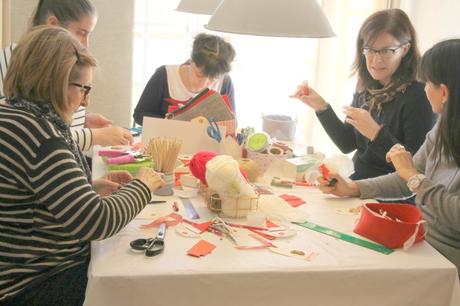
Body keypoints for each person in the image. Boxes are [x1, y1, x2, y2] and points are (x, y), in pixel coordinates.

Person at [0, 26, 164, 305]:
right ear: (56, 82)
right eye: (83, 88)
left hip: (18, 268)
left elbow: (30, 193)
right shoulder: (43, 136)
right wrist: (144, 185)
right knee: (144, 286)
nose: (86, 100)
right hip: (35, 283)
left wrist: (87, 187)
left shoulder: (14, 115)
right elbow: (96, 222)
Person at [317, 39, 460, 273]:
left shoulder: (415, 103)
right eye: (370, 51)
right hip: (421, 239)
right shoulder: (443, 127)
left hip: (446, 261)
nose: (424, 89)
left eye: (427, 84)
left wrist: (415, 178)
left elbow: (413, 178)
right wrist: (353, 188)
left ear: (443, 92)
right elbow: (405, 177)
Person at [291, 8, 436, 180]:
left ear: (405, 49)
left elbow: (415, 167)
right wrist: (321, 106)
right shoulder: (368, 85)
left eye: (386, 51)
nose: (376, 60)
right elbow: (347, 143)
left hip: (391, 193)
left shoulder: (420, 94)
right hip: (356, 184)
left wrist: (376, 132)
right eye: (370, 49)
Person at [0, 0, 133, 151]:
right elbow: (33, 136)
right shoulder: (19, 62)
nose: (85, 44)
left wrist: (82, 120)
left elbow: (47, 120)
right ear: (52, 24)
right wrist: (94, 136)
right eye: (81, 32)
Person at [133, 32, 236, 125]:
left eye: (213, 78)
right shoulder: (165, 75)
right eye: (199, 75)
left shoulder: (225, 82)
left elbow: (232, 123)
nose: (204, 83)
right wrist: (168, 121)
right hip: (166, 143)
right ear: (191, 60)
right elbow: (139, 115)